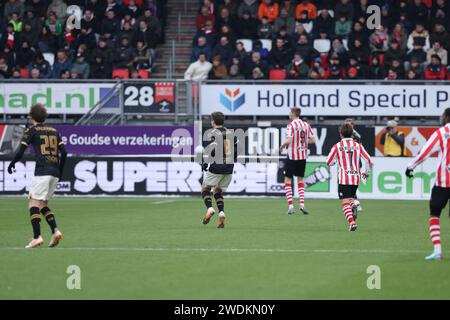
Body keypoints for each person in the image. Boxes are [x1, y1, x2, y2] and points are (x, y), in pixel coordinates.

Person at [7, 104, 67, 248]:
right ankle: (55, 231)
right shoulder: (54, 131)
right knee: (42, 204)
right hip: (54, 172)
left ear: (31, 116)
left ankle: (37, 237)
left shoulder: (32, 130)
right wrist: (60, 171)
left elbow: (21, 150)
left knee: (33, 203)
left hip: (42, 171)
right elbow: (64, 152)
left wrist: (12, 163)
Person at [405, 108, 450, 260]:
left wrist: (411, 166)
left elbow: (425, 152)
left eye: (443, 116)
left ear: (447, 117)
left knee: (435, 214)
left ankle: (437, 251)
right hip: (443, 181)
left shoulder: (442, 133)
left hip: (443, 182)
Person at [326, 123, 372, 231]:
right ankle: (354, 203)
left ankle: (352, 222)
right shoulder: (358, 145)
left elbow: (329, 161)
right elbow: (368, 160)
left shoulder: (337, 146)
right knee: (351, 198)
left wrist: (334, 162)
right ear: (352, 134)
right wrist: (365, 173)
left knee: (344, 202)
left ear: (341, 134)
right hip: (355, 177)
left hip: (344, 177)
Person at [201, 112, 238, 228]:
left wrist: (206, 161)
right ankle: (221, 213)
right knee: (217, 191)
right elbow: (238, 146)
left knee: (205, 188)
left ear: (213, 121)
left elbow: (213, 149)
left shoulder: (213, 133)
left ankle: (210, 209)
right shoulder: (230, 133)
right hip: (229, 167)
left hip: (217, 165)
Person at [280, 107, 316, 215]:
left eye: (290, 112)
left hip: (292, 156)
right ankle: (302, 204)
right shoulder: (306, 125)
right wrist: (303, 143)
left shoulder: (291, 125)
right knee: (300, 179)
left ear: (293, 114)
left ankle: (291, 206)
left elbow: (289, 140)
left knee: (287, 180)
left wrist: (283, 145)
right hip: (302, 156)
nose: (288, 114)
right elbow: (313, 140)